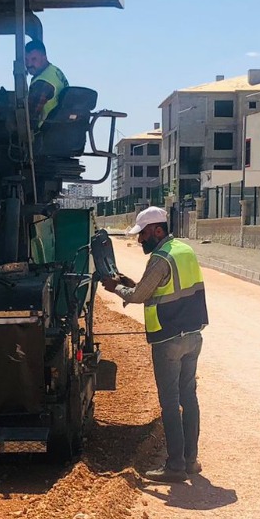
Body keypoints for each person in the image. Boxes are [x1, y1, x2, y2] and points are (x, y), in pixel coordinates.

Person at [100, 205, 207, 483]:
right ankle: (190, 460)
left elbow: (138, 297)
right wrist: (131, 284)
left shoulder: (160, 258)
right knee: (189, 398)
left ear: (158, 230)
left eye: (144, 234)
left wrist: (116, 288)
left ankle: (174, 466)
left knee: (170, 403)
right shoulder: (184, 250)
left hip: (168, 338)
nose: (140, 239)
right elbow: (158, 290)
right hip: (192, 336)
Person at [23, 39, 69, 127]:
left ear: (44, 57)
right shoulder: (55, 71)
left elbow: (30, 118)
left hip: (44, 133)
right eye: (26, 60)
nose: (29, 64)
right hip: (59, 129)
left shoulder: (42, 83)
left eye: (34, 59)